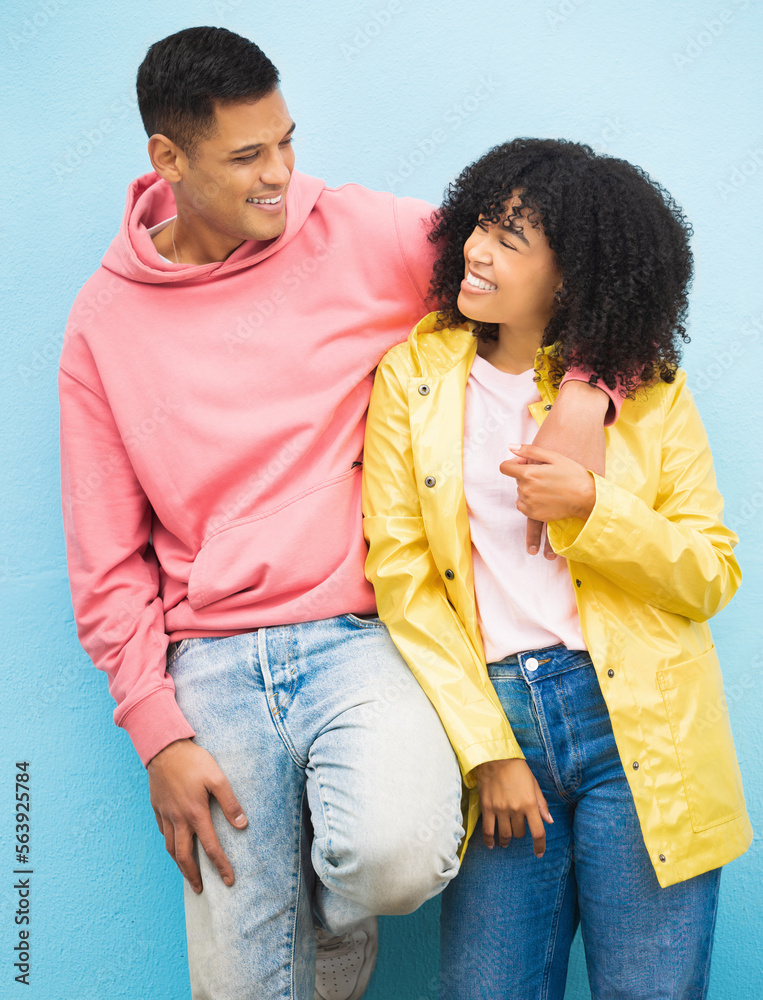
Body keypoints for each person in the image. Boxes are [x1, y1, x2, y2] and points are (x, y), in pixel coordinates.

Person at [59, 28, 616, 1000]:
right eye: (247, 157)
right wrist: (158, 731)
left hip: (361, 634)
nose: (281, 174)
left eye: (287, 141)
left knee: (396, 856)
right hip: (212, 662)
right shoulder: (102, 324)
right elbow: (106, 561)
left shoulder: (363, 233)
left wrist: (586, 385)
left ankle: (328, 929)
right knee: (242, 987)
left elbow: (561, 267)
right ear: (167, 159)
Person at [362, 138, 752, 999]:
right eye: (479, 225)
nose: (474, 248)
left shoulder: (647, 391)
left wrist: (592, 509)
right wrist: (486, 750)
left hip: (639, 726)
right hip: (501, 724)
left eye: (510, 238)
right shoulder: (414, 377)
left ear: (570, 274)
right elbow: (405, 581)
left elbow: (709, 575)